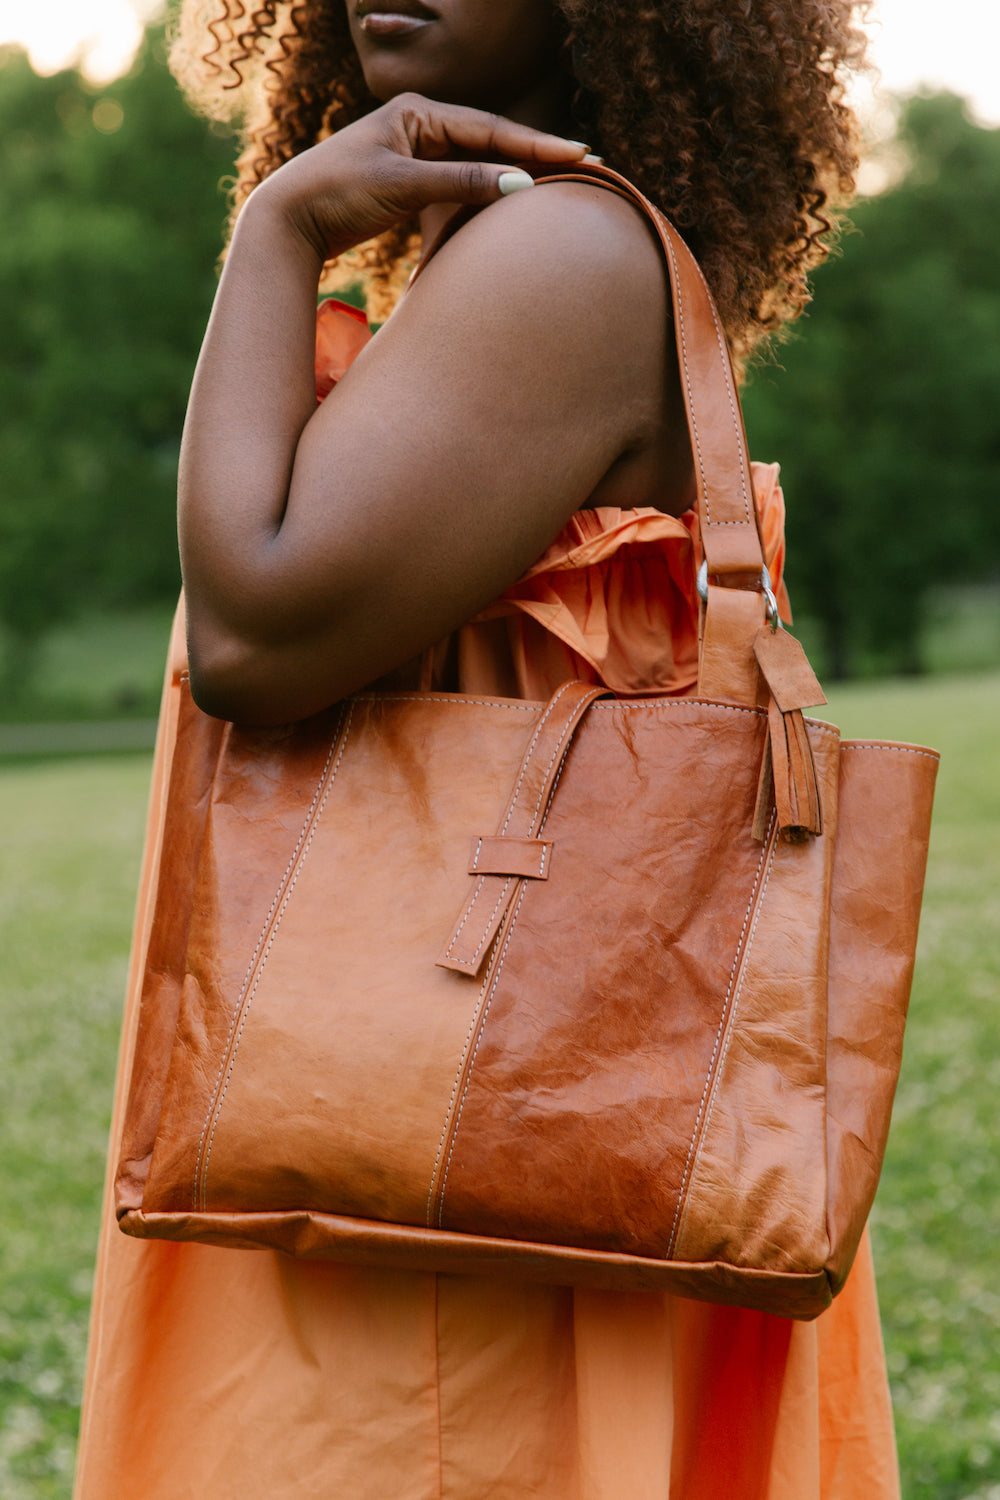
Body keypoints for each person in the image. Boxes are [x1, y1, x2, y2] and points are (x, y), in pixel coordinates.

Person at [75, 1, 899, 1496]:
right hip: (463, 1112)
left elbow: (255, 641)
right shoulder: (522, 250)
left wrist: (276, 230)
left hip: (453, 1140)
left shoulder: (559, 257)